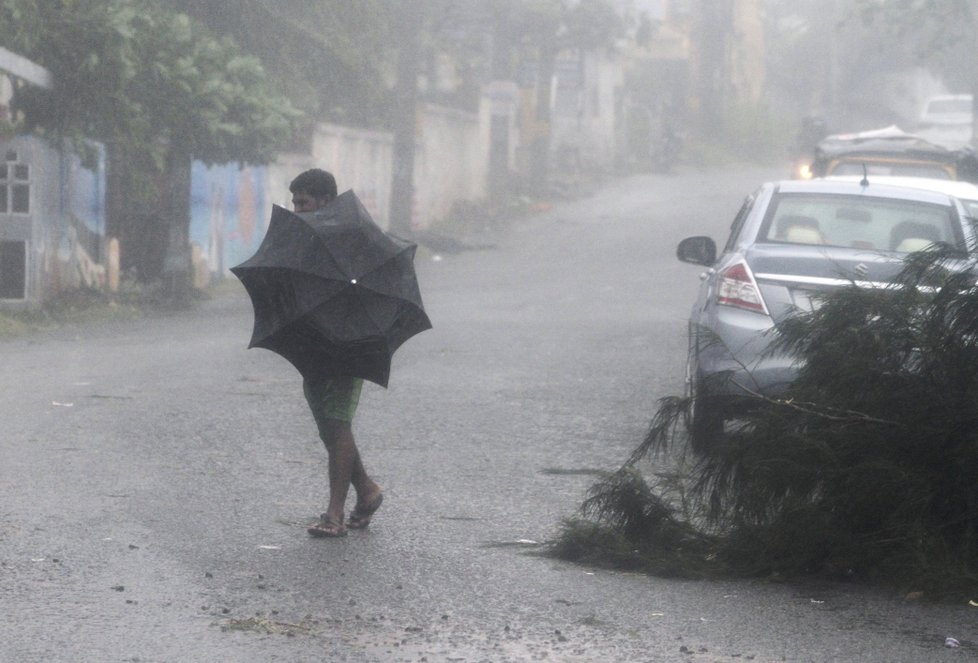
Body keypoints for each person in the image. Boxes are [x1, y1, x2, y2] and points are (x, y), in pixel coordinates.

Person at [289, 168, 384, 538]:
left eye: (304, 203)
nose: (297, 210)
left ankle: (334, 515)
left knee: (337, 423)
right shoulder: (306, 235)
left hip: (347, 342)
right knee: (330, 426)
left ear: (326, 201)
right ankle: (368, 491)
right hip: (315, 341)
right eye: (294, 202)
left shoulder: (349, 235)